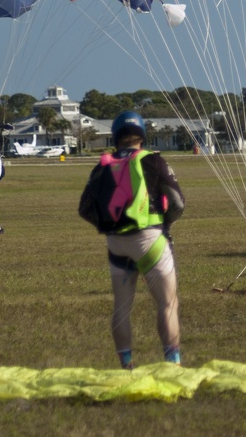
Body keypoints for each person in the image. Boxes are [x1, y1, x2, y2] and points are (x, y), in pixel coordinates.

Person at [79, 110, 185, 369]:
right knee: (167, 303)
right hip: (150, 239)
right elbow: (177, 202)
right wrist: (165, 223)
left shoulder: (102, 165)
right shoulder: (154, 160)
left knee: (122, 308)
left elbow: (85, 208)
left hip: (116, 244)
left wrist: (106, 226)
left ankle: (126, 365)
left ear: (116, 137)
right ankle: (172, 364)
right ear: (142, 136)